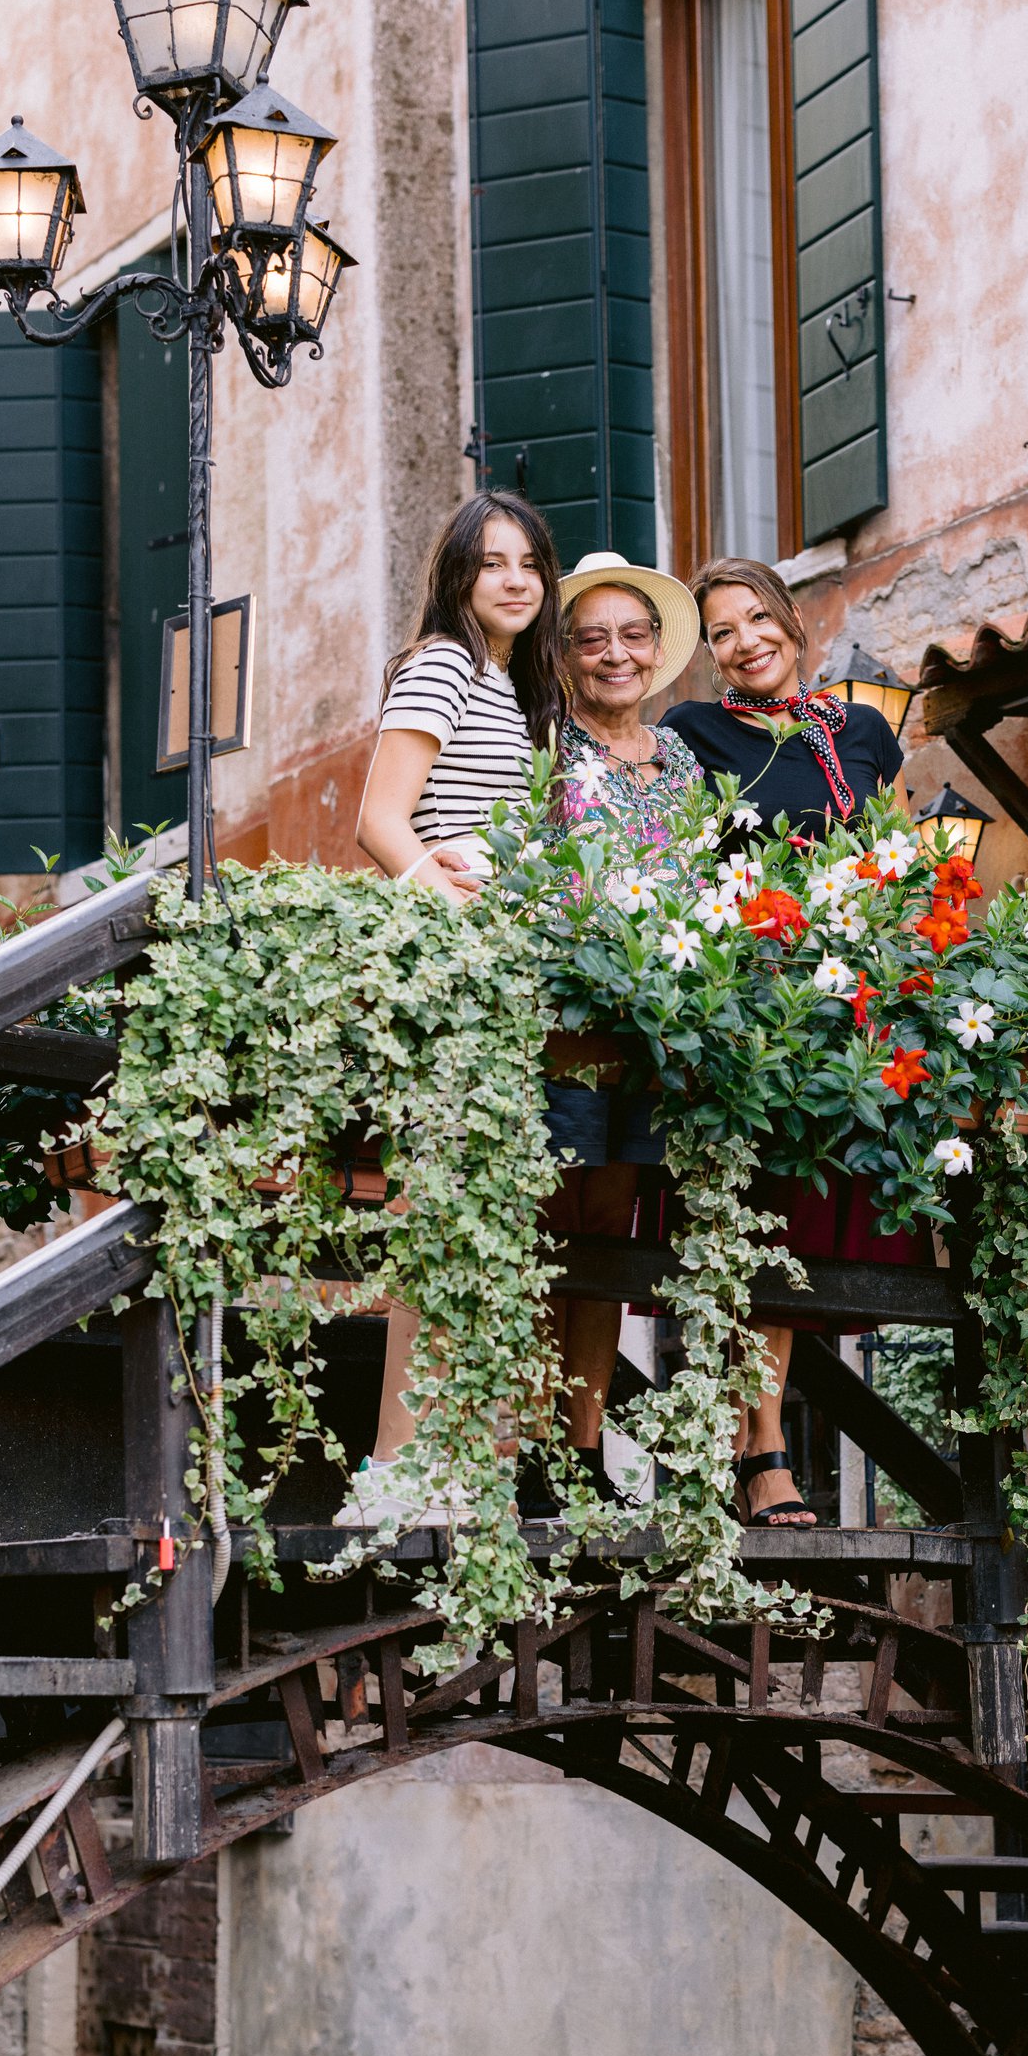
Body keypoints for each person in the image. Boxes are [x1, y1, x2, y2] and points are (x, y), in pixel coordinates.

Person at [663, 558, 914, 1530]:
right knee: (762, 1228)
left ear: (791, 622)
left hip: (850, 1018)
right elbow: (684, 864)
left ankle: (763, 1446)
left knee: (821, 1227)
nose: (745, 641)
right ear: (710, 653)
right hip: (756, 1017)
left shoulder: (861, 730)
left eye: (757, 618)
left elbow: (891, 858)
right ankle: (760, 1452)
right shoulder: (694, 734)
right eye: (722, 632)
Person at [339, 491, 565, 1530]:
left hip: (498, 954)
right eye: (492, 563)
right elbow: (379, 822)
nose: (514, 579)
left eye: (529, 563)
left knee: (478, 1206)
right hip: (454, 956)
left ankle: (453, 1460)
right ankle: (400, 1467)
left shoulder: (510, 686)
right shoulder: (442, 664)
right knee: (440, 1210)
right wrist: (452, 901)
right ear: (458, 578)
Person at [536, 551, 703, 1505]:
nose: (614, 655)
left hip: (652, 1026)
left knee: (612, 1222)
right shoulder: (546, 744)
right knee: (553, 1221)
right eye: (592, 638)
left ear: (655, 649)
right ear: (564, 654)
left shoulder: (678, 754)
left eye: (632, 636)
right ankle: (531, 1444)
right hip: (567, 1020)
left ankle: (583, 1446)